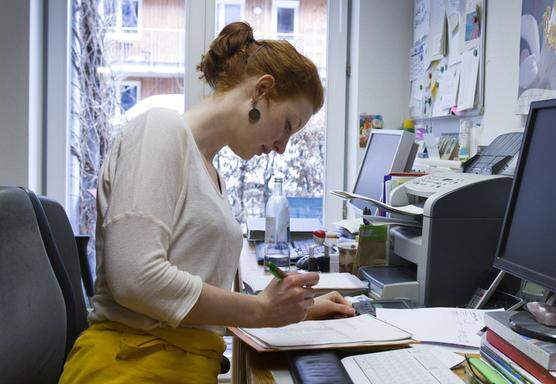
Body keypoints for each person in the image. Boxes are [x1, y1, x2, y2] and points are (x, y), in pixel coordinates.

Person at [60, 21, 355, 383]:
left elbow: (193, 302)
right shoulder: (160, 129)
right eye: (287, 125)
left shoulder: (210, 174)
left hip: (174, 364)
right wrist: (260, 310)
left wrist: (294, 311)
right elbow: (136, 279)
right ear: (261, 90)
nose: (282, 147)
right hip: (129, 367)